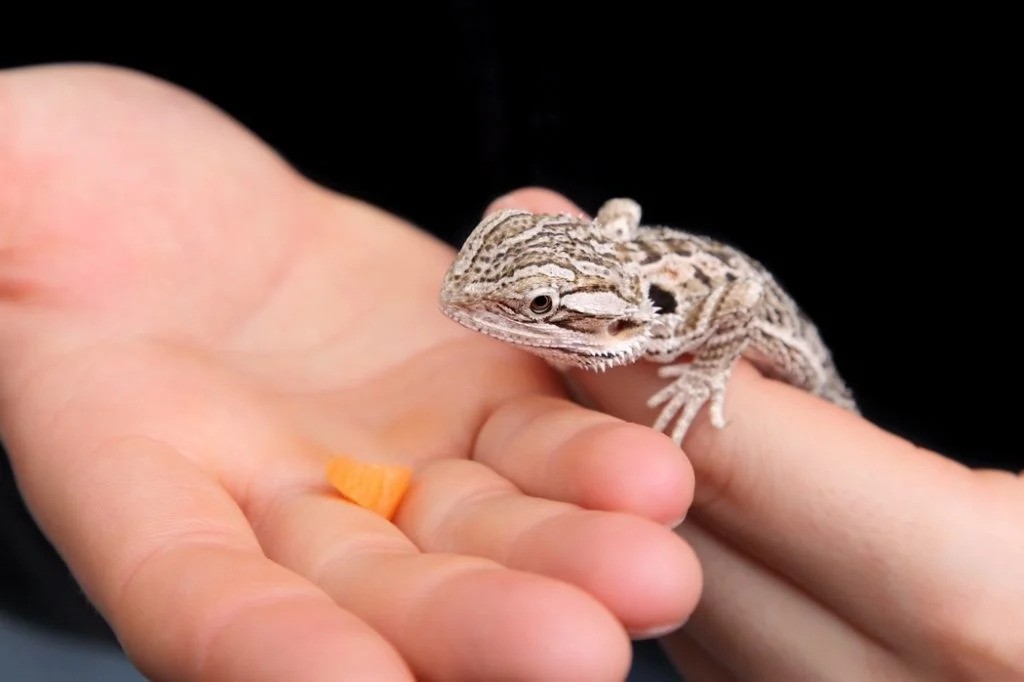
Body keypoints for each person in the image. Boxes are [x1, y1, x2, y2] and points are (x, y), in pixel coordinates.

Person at [0, 63, 1020, 681]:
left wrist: (708, 372)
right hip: (546, 540)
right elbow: (613, 216)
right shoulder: (598, 287)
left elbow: (740, 307)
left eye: (527, 309)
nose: (478, 315)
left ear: (596, 317)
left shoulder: (660, 319)